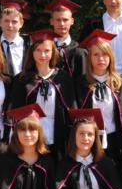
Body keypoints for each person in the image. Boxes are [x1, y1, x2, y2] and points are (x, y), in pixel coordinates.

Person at [10, 29, 76, 161]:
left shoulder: (62, 77)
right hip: (31, 134)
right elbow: (16, 110)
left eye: (47, 50)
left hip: (58, 133)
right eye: (38, 50)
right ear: (31, 52)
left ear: (53, 52)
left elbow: (70, 108)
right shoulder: (22, 79)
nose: (43, 55)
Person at [75, 29, 122, 159]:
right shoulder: (81, 84)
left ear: (111, 57)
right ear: (89, 58)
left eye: (105, 54)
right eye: (96, 55)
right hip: (88, 140)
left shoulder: (120, 84)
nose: (101, 59)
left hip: (115, 140)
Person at [44, 0, 87, 77]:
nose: (62, 24)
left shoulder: (79, 51)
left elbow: (83, 80)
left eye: (65, 20)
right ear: (51, 21)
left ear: (72, 21)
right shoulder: (43, 49)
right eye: (58, 20)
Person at [0, 0, 31, 77]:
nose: (10, 25)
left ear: (21, 23)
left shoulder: (29, 44)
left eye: (14, 22)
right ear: (0, 22)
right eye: (6, 21)